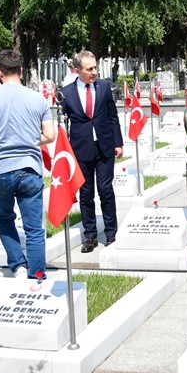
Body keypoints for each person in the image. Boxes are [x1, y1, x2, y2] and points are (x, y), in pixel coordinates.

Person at [0, 50, 56, 279]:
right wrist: (27, 140)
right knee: (33, 227)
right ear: (21, 70)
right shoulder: (38, 99)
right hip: (29, 168)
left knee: (5, 219)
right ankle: (37, 272)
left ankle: (18, 265)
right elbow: (49, 135)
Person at [58, 50, 122, 252]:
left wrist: (118, 143)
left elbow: (113, 116)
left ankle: (111, 233)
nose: (94, 72)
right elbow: (62, 124)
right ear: (77, 70)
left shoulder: (103, 87)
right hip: (81, 149)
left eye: (95, 68)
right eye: (89, 69)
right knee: (86, 194)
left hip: (104, 147)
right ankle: (90, 236)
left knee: (105, 190)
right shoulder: (66, 93)